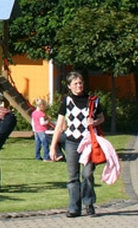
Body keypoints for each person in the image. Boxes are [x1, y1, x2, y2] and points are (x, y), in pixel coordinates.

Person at [49, 71, 105, 218]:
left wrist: (95, 122)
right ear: (69, 86)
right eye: (75, 83)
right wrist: (53, 146)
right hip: (71, 142)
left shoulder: (93, 101)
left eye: (80, 83)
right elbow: (60, 125)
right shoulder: (66, 101)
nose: (79, 86)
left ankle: (89, 202)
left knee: (87, 174)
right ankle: (74, 208)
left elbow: (101, 117)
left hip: (88, 142)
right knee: (72, 177)